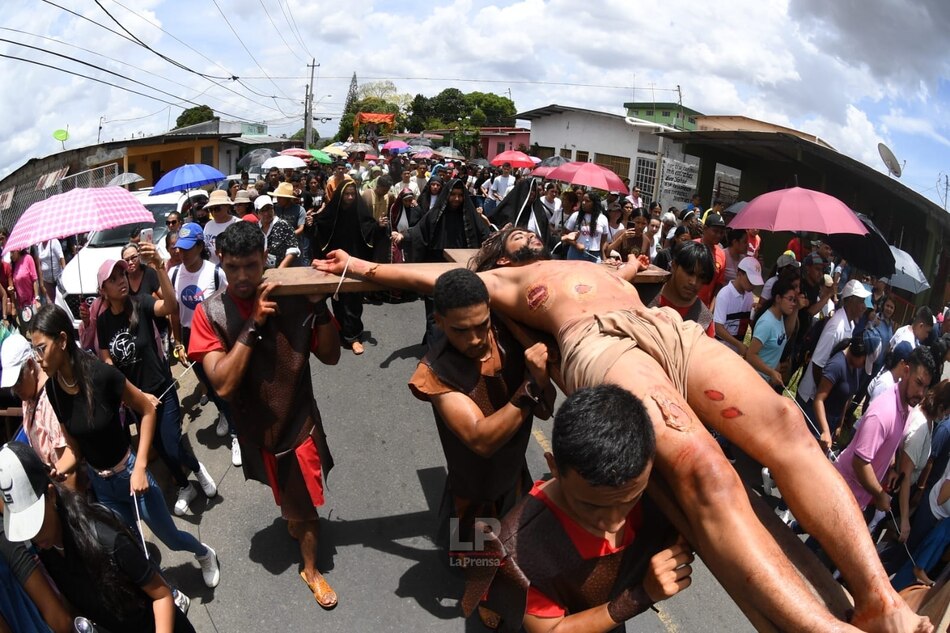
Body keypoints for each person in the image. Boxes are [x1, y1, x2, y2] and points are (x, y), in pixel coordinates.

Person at [314, 226, 932, 632]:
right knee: (704, 468)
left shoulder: (592, 261)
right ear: (500, 257)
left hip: (661, 325)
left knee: (784, 421)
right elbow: (424, 277)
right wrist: (364, 264)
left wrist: (633, 261)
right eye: (516, 236)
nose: (529, 236)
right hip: (597, 345)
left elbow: (642, 263)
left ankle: (878, 597)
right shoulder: (503, 282)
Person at [187, 221, 340, 609]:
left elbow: (331, 355)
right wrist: (254, 322)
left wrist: (319, 304)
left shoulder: (293, 292)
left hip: (298, 422)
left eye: (251, 266)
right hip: (256, 428)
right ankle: (294, 518)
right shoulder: (210, 313)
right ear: (220, 259)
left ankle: (310, 569)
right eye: (233, 267)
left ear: (265, 260)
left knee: (306, 511)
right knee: (287, 496)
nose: (242, 276)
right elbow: (221, 384)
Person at [464, 385, 692, 633]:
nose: (613, 523)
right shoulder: (517, 555)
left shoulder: (654, 486)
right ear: (553, 467)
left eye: (630, 499)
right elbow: (553, 630)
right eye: (591, 505)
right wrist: (640, 595)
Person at [29, 304, 220, 589]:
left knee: (170, 537)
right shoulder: (54, 391)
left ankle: (205, 553)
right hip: (103, 487)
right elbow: (75, 449)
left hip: (130, 475)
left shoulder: (101, 374)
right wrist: (58, 470)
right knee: (132, 546)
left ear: (62, 340)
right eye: (34, 351)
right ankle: (166, 594)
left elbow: (147, 410)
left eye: (41, 348)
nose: (38, 359)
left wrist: (141, 466)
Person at [408, 269, 555, 554]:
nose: (475, 338)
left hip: (514, 479)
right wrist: (531, 384)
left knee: (514, 558)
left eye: (482, 325)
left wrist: (542, 379)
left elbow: (545, 411)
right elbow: (482, 440)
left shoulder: (510, 338)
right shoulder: (435, 372)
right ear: (439, 322)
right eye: (461, 330)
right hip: (474, 497)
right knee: (477, 571)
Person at [0, 442, 196, 632]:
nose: (34, 536)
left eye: (36, 522)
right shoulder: (46, 548)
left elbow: (162, 596)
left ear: (51, 495)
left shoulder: (106, 537)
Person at [94, 254, 217, 516]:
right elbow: (105, 357)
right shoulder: (103, 322)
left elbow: (171, 306)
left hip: (162, 387)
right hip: (137, 399)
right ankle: (186, 486)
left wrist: (161, 267)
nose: (121, 281)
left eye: (122, 275)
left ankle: (196, 468)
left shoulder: (141, 303)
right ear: (103, 289)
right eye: (113, 279)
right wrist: (128, 392)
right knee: (159, 447)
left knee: (171, 443)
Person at [166, 222, 239, 466]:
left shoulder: (215, 273)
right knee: (207, 383)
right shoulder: (174, 274)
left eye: (187, 249)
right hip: (189, 337)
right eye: (178, 249)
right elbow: (174, 313)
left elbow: (227, 304)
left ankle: (237, 432)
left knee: (221, 384)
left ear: (200, 246)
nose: (181, 254)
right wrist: (177, 341)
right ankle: (225, 414)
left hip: (212, 336)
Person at [834, 347, 934, 513]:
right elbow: (860, 462)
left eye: (926, 387)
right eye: (918, 383)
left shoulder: (907, 407)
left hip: (856, 499)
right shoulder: (883, 412)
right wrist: (880, 495)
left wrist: (892, 468)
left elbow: (889, 442)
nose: (921, 393)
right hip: (841, 493)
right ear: (906, 371)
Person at [394, 178, 491, 346]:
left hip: (460, 271)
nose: (456, 199)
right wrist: (402, 235)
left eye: (460, 195)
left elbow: (485, 236)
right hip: (435, 268)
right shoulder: (436, 214)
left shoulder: (470, 215)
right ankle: (435, 353)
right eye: (453, 194)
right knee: (434, 313)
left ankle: (446, 346)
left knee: (456, 312)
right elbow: (419, 231)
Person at [311, 178, 380, 355]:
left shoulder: (359, 211)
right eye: (346, 194)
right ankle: (342, 331)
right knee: (339, 299)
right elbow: (320, 226)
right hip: (336, 262)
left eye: (352, 194)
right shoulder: (332, 212)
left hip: (356, 261)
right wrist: (310, 224)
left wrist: (380, 227)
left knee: (354, 300)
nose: (350, 197)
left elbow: (370, 227)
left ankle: (354, 336)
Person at [796, 279, 872, 416]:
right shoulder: (836, 327)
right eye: (861, 301)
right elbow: (817, 364)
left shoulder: (851, 325)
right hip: (810, 397)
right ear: (850, 301)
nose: (864, 307)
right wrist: (824, 395)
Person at [798, 336, 869, 451]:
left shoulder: (856, 367)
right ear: (857, 352)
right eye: (864, 361)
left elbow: (847, 397)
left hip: (832, 420)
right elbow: (818, 400)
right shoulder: (836, 365)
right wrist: (825, 431)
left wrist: (839, 423)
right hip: (818, 422)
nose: (863, 365)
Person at [648, 240, 715, 337]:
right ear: (674, 266)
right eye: (689, 273)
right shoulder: (644, 297)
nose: (694, 282)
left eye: (701, 277)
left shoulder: (704, 321)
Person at [747, 277, 798, 388]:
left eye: (794, 300)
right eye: (790, 299)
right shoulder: (767, 322)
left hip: (766, 383)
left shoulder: (780, 319)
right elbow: (751, 355)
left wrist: (776, 366)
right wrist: (771, 372)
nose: (793, 304)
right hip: (754, 381)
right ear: (778, 298)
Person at [713, 256, 763, 356]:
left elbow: (747, 321)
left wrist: (757, 314)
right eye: (750, 281)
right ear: (740, 274)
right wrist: (738, 344)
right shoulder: (724, 295)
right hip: (720, 350)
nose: (753, 286)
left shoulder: (749, 296)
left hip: (735, 352)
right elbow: (718, 328)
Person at [561, 191, 609, 263]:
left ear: (595, 203)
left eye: (587, 201)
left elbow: (603, 241)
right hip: (576, 253)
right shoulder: (576, 216)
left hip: (594, 254)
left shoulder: (603, 218)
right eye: (583, 200)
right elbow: (564, 235)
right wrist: (576, 244)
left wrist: (603, 256)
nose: (583, 203)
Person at [255, 194, 300, 269]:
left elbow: (293, 249)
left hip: (281, 271)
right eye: (263, 210)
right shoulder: (255, 229)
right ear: (257, 213)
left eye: (269, 208)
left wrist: (280, 268)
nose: (266, 213)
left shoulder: (283, 225)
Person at [694, 212, 726, 307]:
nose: (719, 235)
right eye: (715, 231)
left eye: (721, 232)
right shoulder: (692, 246)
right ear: (705, 229)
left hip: (703, 308)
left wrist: (711, 309)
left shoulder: (721, 254)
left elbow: (718, 285)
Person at [201, 190, 238, 265]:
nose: (214, 212)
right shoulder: (208, 225)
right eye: (211, 209)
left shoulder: (238, 224)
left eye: (217, 209)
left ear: (227, 206)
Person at [34, 240, 65, 304]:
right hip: (46, 280)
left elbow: (61, 258)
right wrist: (41, 284)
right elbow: (39, 266)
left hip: (57, 279)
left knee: (61, 302)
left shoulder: (54, 242)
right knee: (51, 303)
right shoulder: (39, 246)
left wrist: (65, 275)